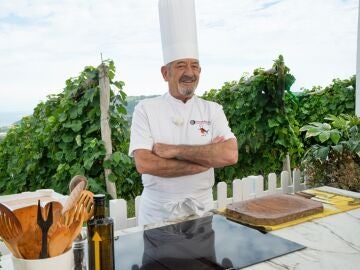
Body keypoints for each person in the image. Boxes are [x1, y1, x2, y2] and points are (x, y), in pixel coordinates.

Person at [128, 0, 238, 225]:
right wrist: (205, 159)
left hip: (203, 211)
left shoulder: (213, 109)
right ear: (165, 73)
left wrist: (174, 150)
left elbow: (229, 154)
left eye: (195, 65)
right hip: (158, 215)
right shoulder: (146, 110)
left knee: (204, 261)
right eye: (180, 65)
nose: (190, 73)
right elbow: (145, 164)